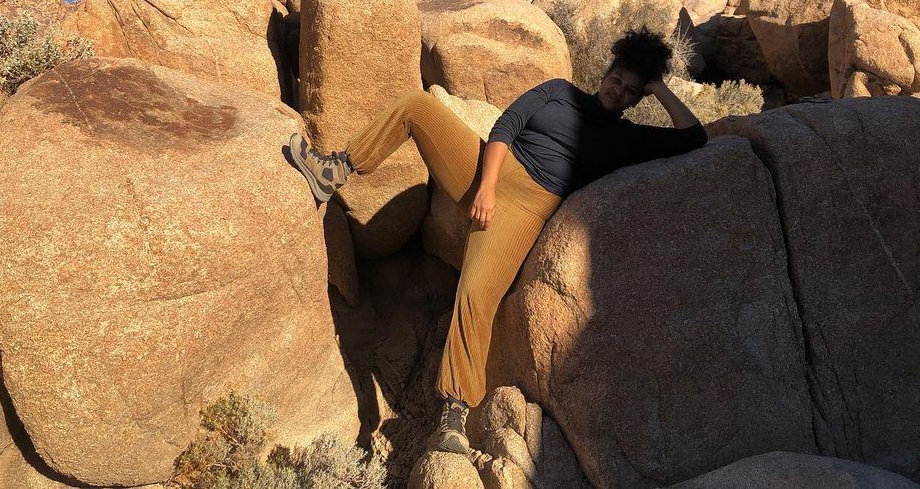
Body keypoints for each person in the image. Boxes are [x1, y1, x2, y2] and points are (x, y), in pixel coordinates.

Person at [287, 26, 708, 455]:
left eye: (631, 91)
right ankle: (335, 170)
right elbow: (507, 126)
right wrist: (486, 187)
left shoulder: (629, 137)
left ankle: (454, 412)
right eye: (616, 80)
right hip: (486, 168)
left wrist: (657, 86)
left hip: (527, 207)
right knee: (417, 106)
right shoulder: (559, 91)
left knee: (476, 293)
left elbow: (694, 138)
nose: (618, 92)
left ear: (637, 99)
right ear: (605, 74)